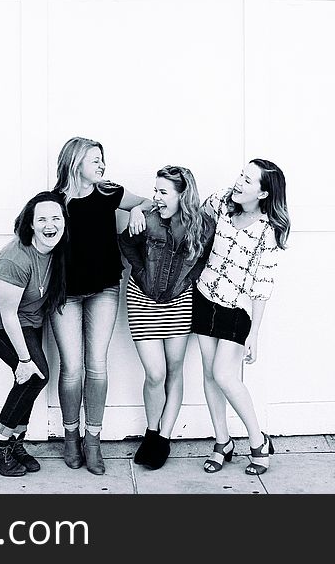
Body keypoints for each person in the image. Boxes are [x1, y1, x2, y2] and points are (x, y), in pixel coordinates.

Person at [50, 136, 152, 475]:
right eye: (94, 160)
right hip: (64, 294)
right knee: (71, 369)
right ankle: (70, 436)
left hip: (105, 289)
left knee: (96, 366)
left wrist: (135, 208)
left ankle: (92, 439)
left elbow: (152, 203)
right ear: (75, 161)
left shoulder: (111, 194)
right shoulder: (53, 202)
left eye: (102, 159)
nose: (101, 165)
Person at [193, 159, 290, 475]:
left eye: (248, 181)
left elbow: (263, 286)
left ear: (263, 193)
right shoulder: (223, 201)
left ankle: (258, 440)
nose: (239, 182)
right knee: (209, 374)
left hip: (237, 309)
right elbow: (194, 216)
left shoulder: (268, 232)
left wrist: (254, 334)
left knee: (225, 375)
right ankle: (222, 442)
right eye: (240, 175)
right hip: (204, 297)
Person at [118, 165, 215, 470]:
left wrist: (190, 280)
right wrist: (142, 272)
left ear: (182, 194)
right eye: (155, 190)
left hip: (178, 302)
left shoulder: (203, 225)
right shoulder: (146, 220)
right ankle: (151, 429)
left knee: (174, 370)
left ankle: (163, 438)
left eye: (163, 192)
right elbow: (126, 244)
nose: (156, 197)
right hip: (142, 301)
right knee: (155, 374)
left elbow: (205, 256)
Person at [0, 191, 69, 477]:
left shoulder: (57, 250)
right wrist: (23, 361)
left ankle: (14, 442)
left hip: (27, 316)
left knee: (33, 378)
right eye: (42, 219)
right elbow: (7, 313)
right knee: (34, 374)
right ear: (30, 225)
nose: (50, 225)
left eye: (56, 218)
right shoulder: (15, 258)